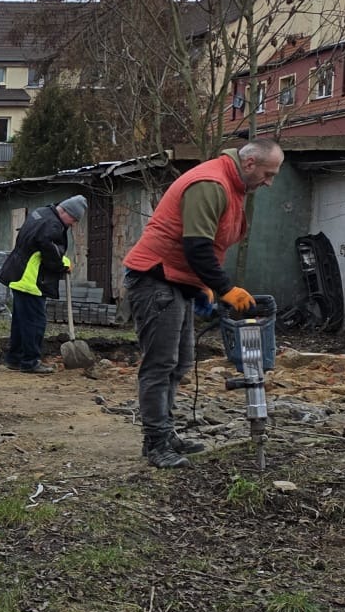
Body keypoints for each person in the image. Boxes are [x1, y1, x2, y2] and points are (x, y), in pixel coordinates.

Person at [120, 139, 284, 467]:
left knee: (180, 363)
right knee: (160, 364)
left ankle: (165, 434)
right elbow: (196, 246)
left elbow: (205, 247)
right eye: (268, 174)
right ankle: (155, 443)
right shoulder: (210, 183)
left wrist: (200, 287)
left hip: (177, 281)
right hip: (155, 279)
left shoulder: (233, 186)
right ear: (250, 164)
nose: (270, 182)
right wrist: (224, 288)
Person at [0, 196, 86, 374]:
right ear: (66, 212)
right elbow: (50, 254)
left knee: (21, 321)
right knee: (35, 322)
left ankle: (15, 358)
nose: (73, 224)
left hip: (18, 273)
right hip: (31, 279)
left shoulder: (41, 213)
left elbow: (40, 247)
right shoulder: (52, 226)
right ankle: (30, 362)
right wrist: (63, 265)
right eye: (74, 220)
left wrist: (61, 260)